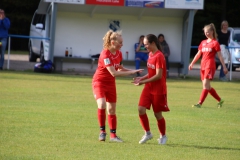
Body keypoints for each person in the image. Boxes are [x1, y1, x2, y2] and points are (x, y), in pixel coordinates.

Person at [92, 30, 143, 143]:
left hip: (111, 84)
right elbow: (114, 73)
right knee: (102, 104)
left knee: (112, 110)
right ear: (113, 42)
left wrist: (133, 71)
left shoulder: (119, 54)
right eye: (120, 42)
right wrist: (130, 73)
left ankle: (113, 136)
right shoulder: (105, 54)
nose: (122, 44)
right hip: (99, 82)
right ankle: (102, 132)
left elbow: (119, 68)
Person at [132, 34, 170, 145]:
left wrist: (142, 82)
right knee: (140, 109)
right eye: (144, 45)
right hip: (149, 87)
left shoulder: (159, 56)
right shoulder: (150, 54)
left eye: (146, 44)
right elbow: (151, 72)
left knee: (157, 115)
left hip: (158, 89)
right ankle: (148, 133)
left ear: (153, 43)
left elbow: (158, 75)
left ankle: (163, 136)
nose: (145, 47)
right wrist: (141, 78)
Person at [189, 23, 228, 108]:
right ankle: (220, 100)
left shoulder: (215, 43)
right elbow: (198, 54)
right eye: (205, 32)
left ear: (212, 31)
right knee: (207, 87)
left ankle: (199, 103)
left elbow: (220, 56)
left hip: (210, 66)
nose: (206, 34)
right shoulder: (203, 42)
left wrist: (224, 67)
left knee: (206, 86)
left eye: (208, 32)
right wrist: (192, 63)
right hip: (203, 66)